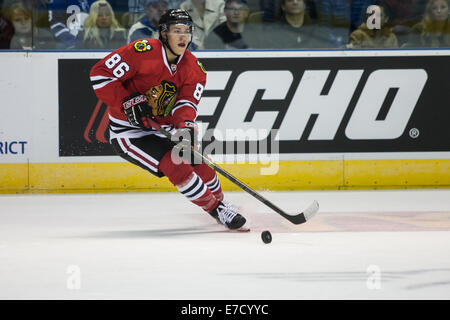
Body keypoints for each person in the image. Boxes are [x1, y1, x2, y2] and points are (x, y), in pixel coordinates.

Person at [89, 9, 247, 230]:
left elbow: (186, 104)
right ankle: (215, 209)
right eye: (177, 31)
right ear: (163, 34)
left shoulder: (195, 69)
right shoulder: (141, 51)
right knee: (176, 165)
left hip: (164, 128)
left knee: (199, 163)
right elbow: (100, 74)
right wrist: (127, 102)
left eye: (187, 31)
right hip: (130, 134)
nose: (183, 37)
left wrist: (185, 127)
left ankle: (221, 201)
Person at [263, 0, 327, 49]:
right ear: (283, 7)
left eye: (299, 0)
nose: (295, 2)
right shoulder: (272, 31)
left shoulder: (316, 29)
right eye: (290, 0)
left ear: (305, 5)